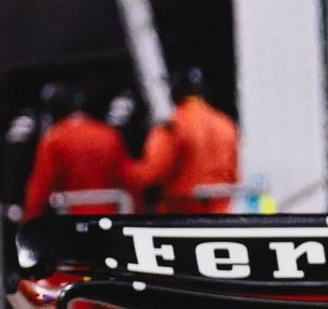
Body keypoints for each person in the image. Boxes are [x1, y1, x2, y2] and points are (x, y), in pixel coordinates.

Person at [129, 67, 243, 211]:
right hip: (219, 216)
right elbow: (234, 175)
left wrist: (123, 170)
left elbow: (152, 172)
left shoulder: (173, 125)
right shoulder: (226, 124)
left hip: (180, 215)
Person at [21, 82, 135, 220]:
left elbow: (39, 191)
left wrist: (28, 225)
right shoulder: (110, 135)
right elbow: (129, 181)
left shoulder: (54, 139)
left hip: (71, 222)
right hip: (110, 219)